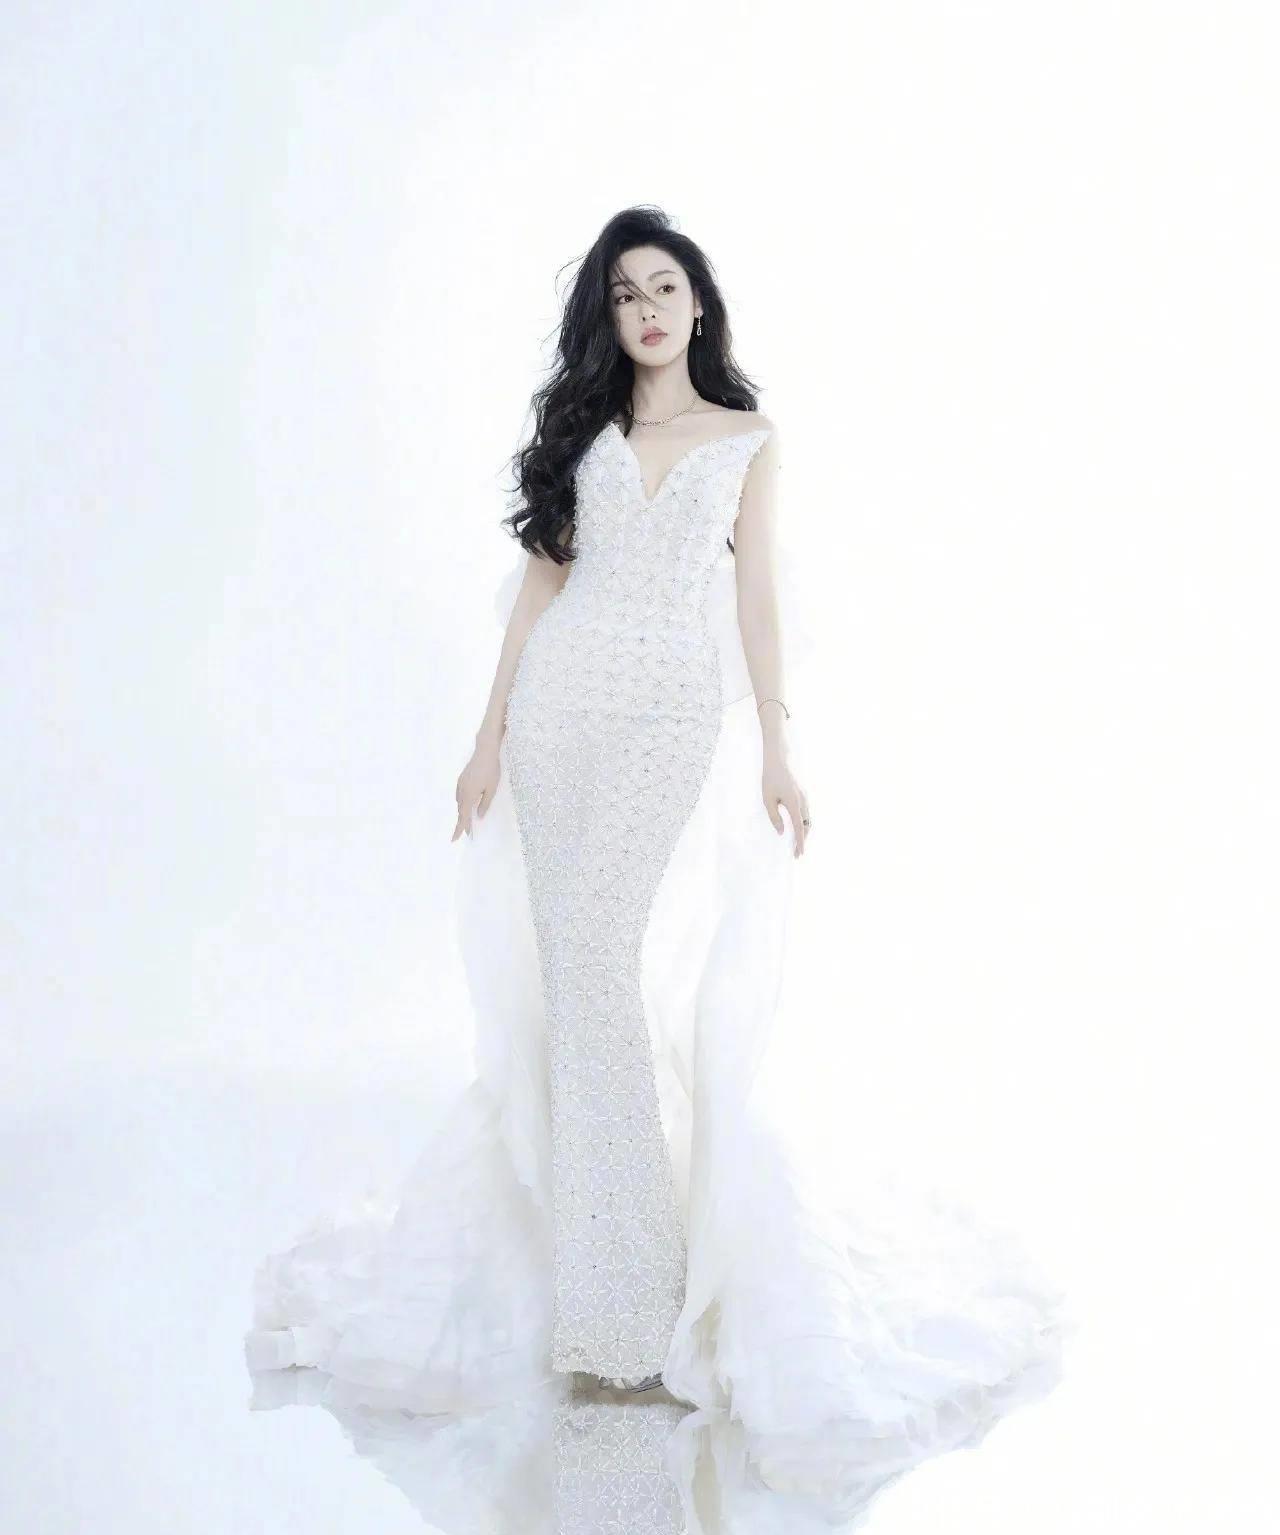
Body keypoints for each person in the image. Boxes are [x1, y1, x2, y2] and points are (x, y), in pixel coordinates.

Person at [246, 205, 1073, 1527]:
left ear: (699, 304)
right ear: (609, 316)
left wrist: (780, 746)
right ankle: (601, 1290)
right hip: (557, 715)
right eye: (625, 293)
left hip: (668, 714)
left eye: (665, 287)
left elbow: (757, 599)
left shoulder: (745, 438)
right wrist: (487, 736)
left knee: (599, 969)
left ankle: (633, 1308)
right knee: (574, 987)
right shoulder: (587, 436)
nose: (646, 309)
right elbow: (540, 587)